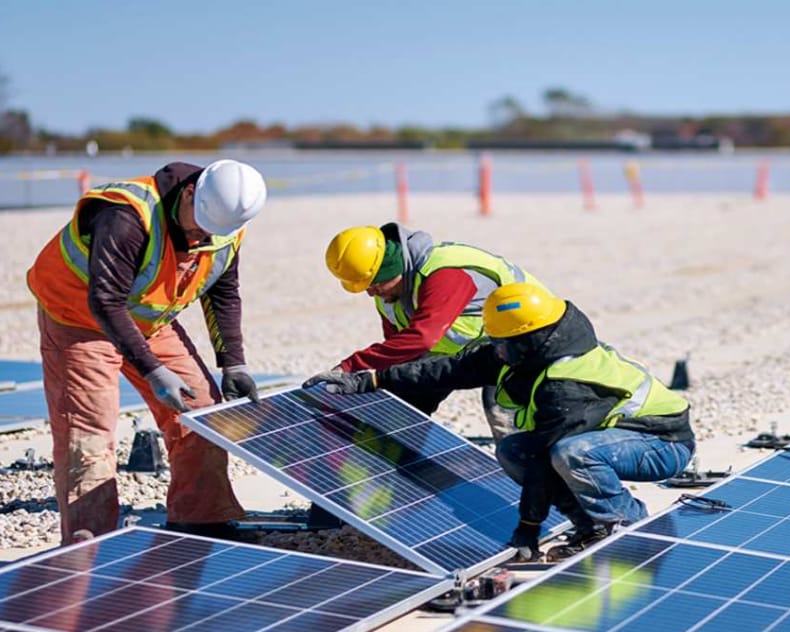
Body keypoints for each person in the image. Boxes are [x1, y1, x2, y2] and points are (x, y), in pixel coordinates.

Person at [310, 283, 695, 561]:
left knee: (569, 453)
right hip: (615, 438)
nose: (496, 351)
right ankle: (589, 525)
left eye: (501, 344)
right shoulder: (524, 348)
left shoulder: (566, 382)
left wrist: (527, 527)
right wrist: (369, 379)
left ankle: (624, 525)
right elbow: (448, 369)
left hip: (663, 441)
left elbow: (547, 462)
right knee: (513, 450)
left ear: (527, 339)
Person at [26, 159, 268, 544]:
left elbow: (223, 291)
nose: (202, 235)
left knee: (202, 410)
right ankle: (90, 547)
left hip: (146, 319)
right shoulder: (126, 216)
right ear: (190, 192)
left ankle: (201, 523)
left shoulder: (225, 225)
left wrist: (233, 363)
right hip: (79, 318)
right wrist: (153, 370)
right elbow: (105, 302)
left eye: (212, 230)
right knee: (89, 436)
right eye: (199, 223)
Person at [303, 223, 548, 442]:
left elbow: (422, 337)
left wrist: (349, 366)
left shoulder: (445, 274)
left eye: (374, 285)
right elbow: (400, 350)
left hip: (528, 338)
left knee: (505, 417)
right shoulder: (388, 295)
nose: (371, 293)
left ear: (392, 270)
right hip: (471, 348)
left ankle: (534, 476)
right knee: (405, 401)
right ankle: (403, 463)